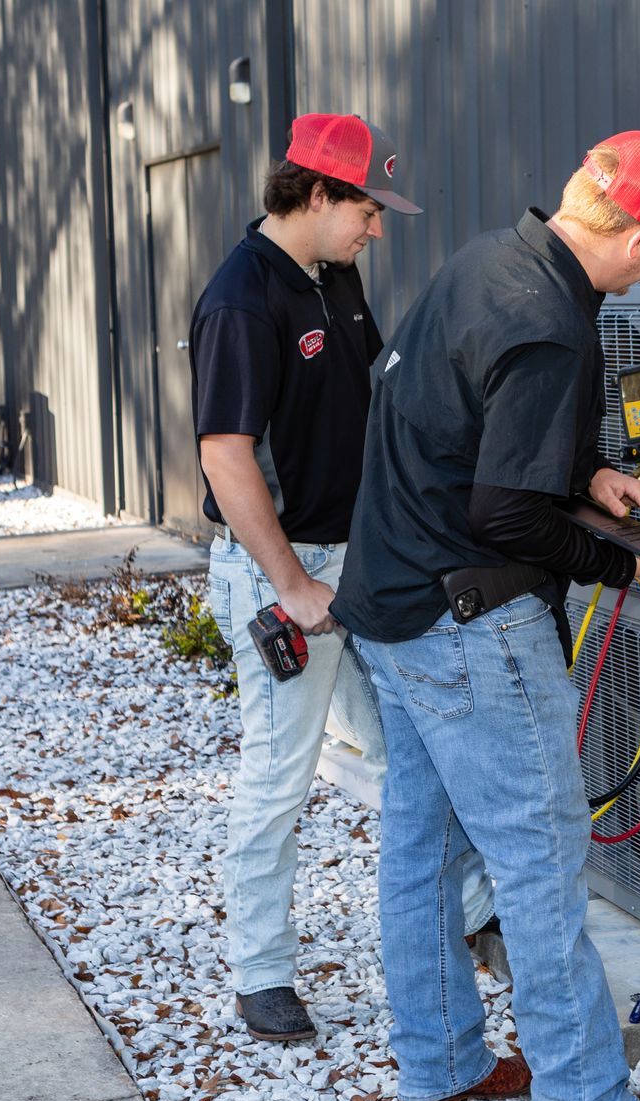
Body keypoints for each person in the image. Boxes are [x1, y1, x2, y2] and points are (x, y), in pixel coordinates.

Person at [330, 132, 640, 1101]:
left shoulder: (487, 265)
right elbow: (503, 510)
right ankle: (585, 1100)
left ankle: (440, 1062)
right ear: (634, 233)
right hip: (470, 623)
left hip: (390, 603)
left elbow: (471, 427)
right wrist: (624, 565)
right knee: (542, 856)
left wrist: (589, 474)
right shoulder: (552, 321)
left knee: (423, 848)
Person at [192, 113, 491, 1043]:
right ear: (317, 195)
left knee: (419, 746)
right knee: (281, 773)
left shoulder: (335, 277)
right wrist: (290, 583)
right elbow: (225, 456)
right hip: (286, 572)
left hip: (367, 560)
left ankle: (477, 917)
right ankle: (261, 973)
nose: (378, 227)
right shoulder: (243, 299)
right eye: (367, 209)